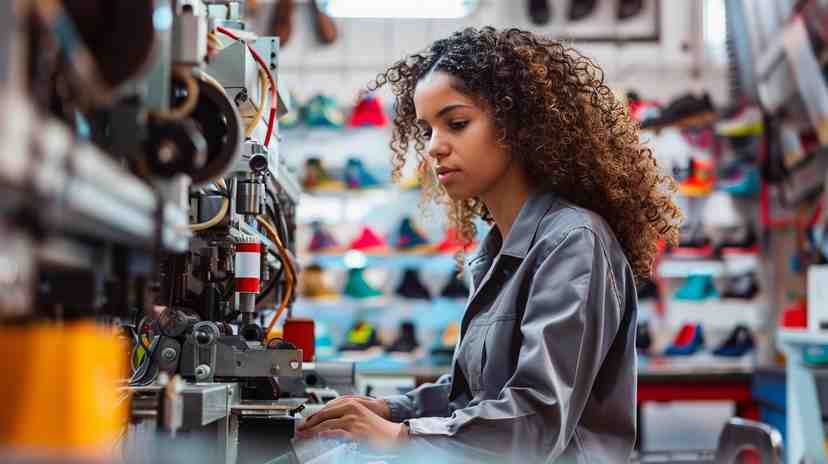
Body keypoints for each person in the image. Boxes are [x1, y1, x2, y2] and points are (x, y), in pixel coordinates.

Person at [296, 26, 681, 462]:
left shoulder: (573, 242)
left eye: (456, 124)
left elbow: (536, 420)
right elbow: (479, 397)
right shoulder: (501, 249)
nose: (434, 148)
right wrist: (389, 410)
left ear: (518, 125)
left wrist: (402, 436)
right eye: (426, 130)